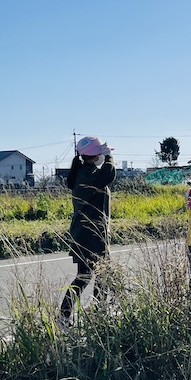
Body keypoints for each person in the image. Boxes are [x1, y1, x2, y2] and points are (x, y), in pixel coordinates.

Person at [60, 136, 116, 323]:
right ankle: (97, 313)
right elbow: (108, 174)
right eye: (101, 152)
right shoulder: (89, 174)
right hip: (91, 235)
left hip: (85, 233)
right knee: (99, 274)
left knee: (86, 275)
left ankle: (66, 314)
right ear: (95, 154)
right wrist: (109, 157)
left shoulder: (84, 173)